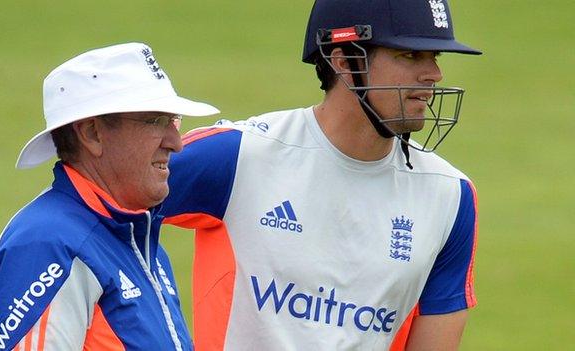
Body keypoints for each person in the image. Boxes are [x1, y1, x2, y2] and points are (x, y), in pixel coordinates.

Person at [160, 0, 481, 349]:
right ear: (343, 61)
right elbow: (97, 201)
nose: (434, 74)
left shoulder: (450, 196)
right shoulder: (237, 156)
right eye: (410, 55)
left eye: (435, 56)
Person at [0, 42, 219, 351]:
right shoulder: (49, 245)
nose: (176, 142)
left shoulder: (138, 238)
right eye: (155, 121)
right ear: (92, 133)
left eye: (173, 121)